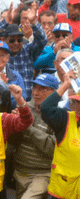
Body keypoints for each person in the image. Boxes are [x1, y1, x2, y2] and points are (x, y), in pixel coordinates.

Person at [12, 73, 58, 199]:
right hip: (20, 170)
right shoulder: (23, 108)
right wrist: (13, 123)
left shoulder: (59, 115)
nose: (36, 93)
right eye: (35, 88)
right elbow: (13, 141)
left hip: (43, 173)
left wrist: (27, 126)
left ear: (55, 92)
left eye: (43, 89)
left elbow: (52, 148)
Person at [40, 69, 80, 199]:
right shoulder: (65, 118)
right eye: (77, 102)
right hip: (62, 191)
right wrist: (65, 84)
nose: (78, 107)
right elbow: (46, 108)